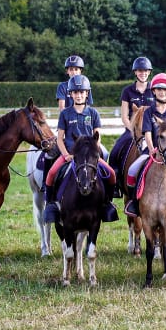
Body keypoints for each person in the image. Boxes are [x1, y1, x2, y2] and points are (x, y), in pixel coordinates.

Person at [43, 74, 117, 223]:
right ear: (70, 94)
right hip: (71, 153)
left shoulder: (93, 113)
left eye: (82, 92)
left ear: (87, 93)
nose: (79, 95)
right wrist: (65, 155)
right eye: (76, 92)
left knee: (111, 173)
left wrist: (94, 153)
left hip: (89, 155)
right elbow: (59, 138)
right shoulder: (65, 113)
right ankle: (51, 204)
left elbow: (97, 135)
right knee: (51, 173)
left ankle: (107, 203)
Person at [122, 73, 166, 220]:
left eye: (165, 90)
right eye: (159, 89)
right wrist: (151, 150)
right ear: (153, 91)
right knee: (132, 171)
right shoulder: (148, 111)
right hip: (152, 151)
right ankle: (134, 203)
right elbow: (147, 133)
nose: (162, 92)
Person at [108, 57, 156, 193]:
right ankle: (116, 184)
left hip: (151, 130)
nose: (143, 73)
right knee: (115, 151)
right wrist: (134, 131)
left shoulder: (154, 89)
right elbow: (124, 116)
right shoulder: (127, 91)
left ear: (149, 72)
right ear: (135, 72)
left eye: (145, 71)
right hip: (132, 130)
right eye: (140, 71)